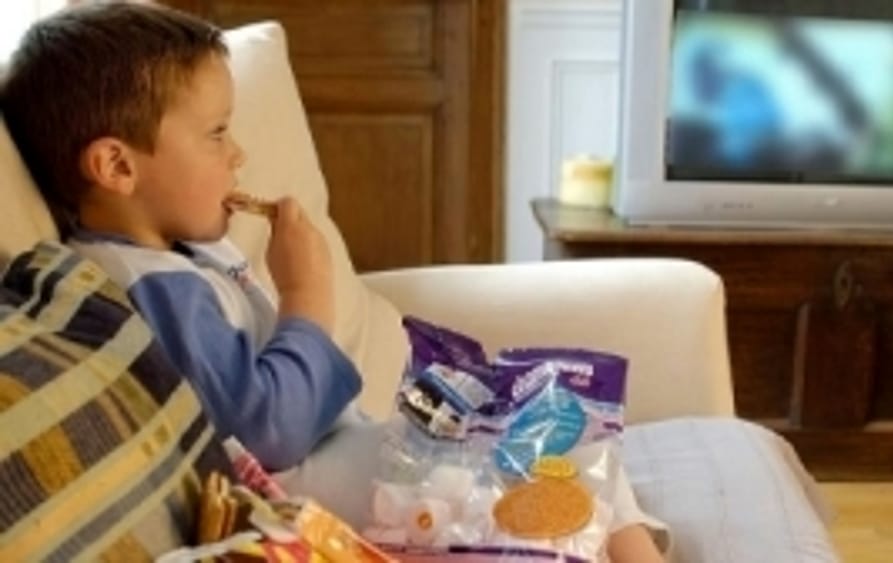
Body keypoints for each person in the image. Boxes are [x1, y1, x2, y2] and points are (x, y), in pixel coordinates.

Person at [0, 3, 667, 561]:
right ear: (117, 166)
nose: (238, 154)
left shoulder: (181, 253)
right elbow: (269, 432)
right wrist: (305, 298)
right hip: (294, 490)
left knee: (562, 437)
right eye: (217, 134)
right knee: (548, 451)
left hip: (335, 454)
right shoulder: (150, 288)